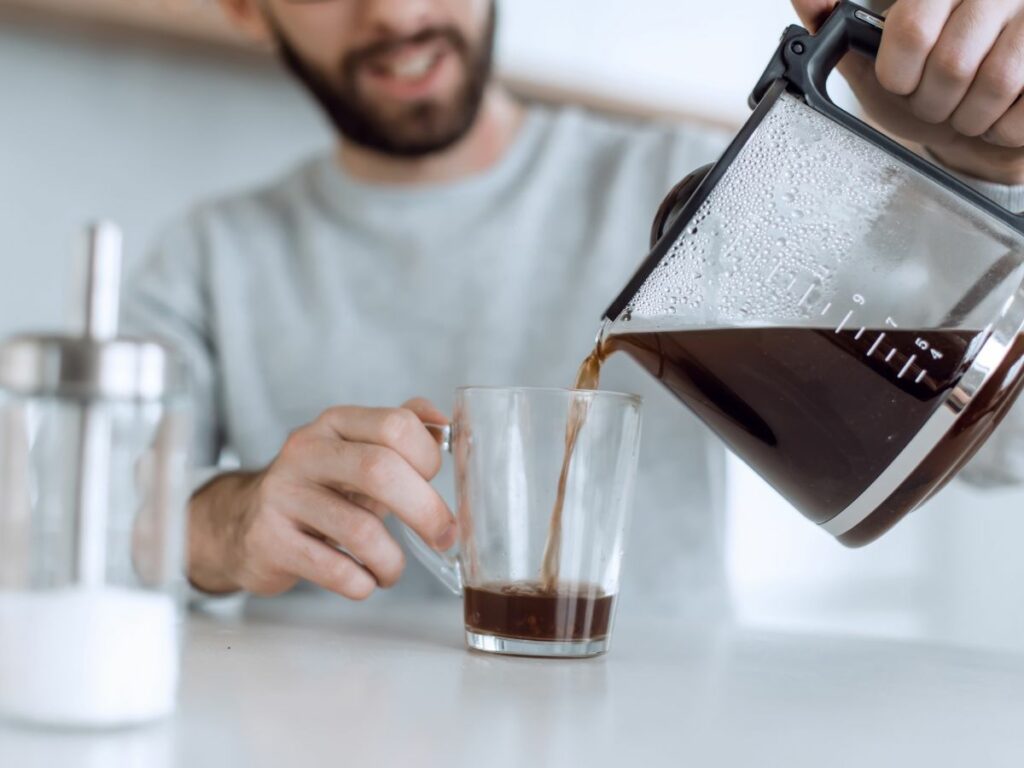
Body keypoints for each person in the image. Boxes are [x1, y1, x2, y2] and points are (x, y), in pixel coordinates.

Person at [124, 0, 1024, 614]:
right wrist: (221, 524)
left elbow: (999, 445)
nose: (396, 14)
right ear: (246, 8)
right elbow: (58, 535)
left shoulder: (707, 197)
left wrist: (983, 183)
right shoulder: (208, 261)